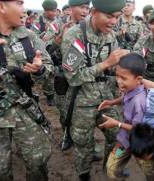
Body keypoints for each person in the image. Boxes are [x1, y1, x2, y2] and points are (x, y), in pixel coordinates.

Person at [61, 0, 129, 180]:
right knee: (84, 144)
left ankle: (110, 167)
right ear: (94, 12)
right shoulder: (75, 35)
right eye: (109, 16)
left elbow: (113, 68)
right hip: (81, 100)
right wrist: (106, 63)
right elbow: (73, 77)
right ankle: (84, 175)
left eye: (117, 17)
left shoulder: (110, 36)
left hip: (106, 97)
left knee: (118, 135)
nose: (114, 21)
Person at [0, 0, 54, 180]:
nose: (24, 9)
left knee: (38, 160)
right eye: (19, 3)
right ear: (1, 6)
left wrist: (40, 69)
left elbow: (49, 69)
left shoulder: (28, 36)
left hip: (25, 109)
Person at [98, 53, 154, 180]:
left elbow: (137, 129)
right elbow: (125, 98)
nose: (118, 81)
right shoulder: (131, 88)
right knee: (112, 167)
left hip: (141, 143)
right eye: (117, 76)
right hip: (125, 141)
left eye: (123, 78)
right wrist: (111, 102)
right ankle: (120, 175)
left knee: (150, 172)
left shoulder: (139, 102)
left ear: (138, 79)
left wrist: (116, 124)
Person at [43, 0, 90, 151]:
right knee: (65, 112)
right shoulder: (58, 25)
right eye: (81, 7)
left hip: (85, 76)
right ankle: (67, 135)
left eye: (87, 8)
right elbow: (44, 48)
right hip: (64, 75)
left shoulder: (91, 26)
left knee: (84, 115)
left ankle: (85, 144)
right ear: (70, 9)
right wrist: (59, 39)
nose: (84, 11)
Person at [32, 0, 58, 106]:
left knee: (55, 74)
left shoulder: (58, 21)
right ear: (45, 11)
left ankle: (54, 93)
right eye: (51, 11)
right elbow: (33, 38)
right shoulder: (38, 23)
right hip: (43, 52)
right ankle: (45, 95)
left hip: (56, 51)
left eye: (55, 10)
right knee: (45, 76)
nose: (54, 13)